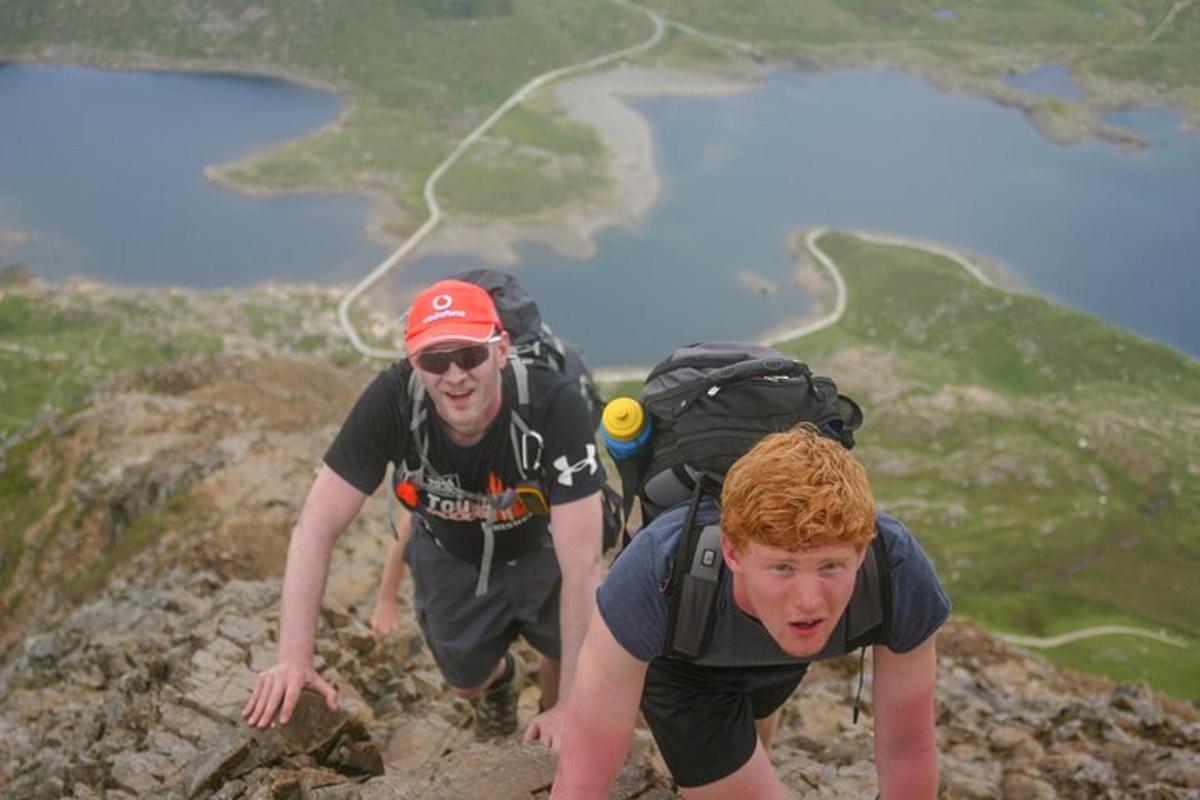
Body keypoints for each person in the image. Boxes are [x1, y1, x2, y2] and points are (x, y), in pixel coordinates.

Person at [242, 279, 607, 746]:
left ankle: (550, 711)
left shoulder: (553, 404)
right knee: (465, 682)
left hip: (545, 546)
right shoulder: (393, 401)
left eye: (471, 355)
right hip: (451, 551)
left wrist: (573, 704)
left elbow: (583, 566)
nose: (455, 376)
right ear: (414, 361)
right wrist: (294, 659)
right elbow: (315, 525)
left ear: (501, 349)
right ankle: (502, 682)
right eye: (435, 360)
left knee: (562, 652)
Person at [552, 424, 950, 799]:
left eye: (831, 566)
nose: (809, 599)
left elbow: (908, 750)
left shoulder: (896, 570)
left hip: (780, 661)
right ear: (733, 553)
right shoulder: (657, 572)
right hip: (686, 674)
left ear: (862, 552)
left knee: (760, 714)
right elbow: (583, 772)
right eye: (783, 567)